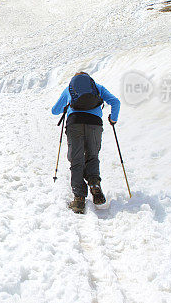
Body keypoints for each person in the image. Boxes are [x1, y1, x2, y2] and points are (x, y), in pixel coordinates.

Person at [51, 71, 120, 214]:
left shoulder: (70, 88)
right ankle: (95, 184)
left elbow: (54, 111)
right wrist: (113, 119)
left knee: (76, 159)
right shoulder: (98, 87)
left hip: (74, 123)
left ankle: (79, 199)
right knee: (92, 156)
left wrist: (66, 106)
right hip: (95, 124)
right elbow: (115, 102)